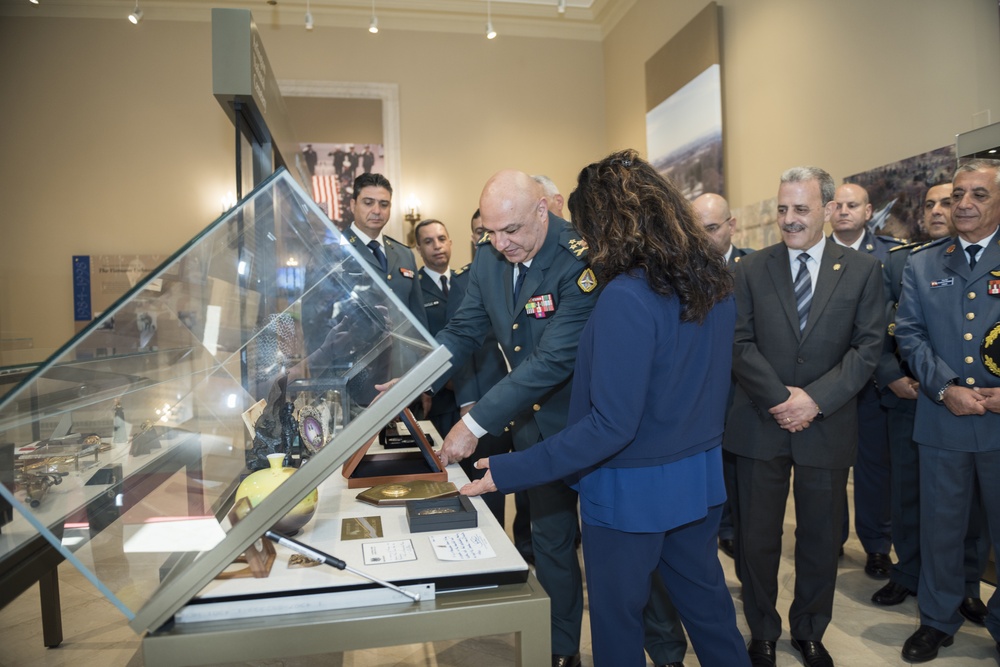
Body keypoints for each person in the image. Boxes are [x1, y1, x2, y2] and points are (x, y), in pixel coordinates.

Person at [460, 149, 750, 667]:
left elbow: (609, 426)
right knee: (710, 613)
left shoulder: (626, 297)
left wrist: (509, 469)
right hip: (699, 481)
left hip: (629, 493)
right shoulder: (713, 284)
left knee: (617, 626)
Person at [426, 169, 597, 667]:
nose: (502, 244)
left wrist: (473, 425)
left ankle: (662, 648)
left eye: (513, 230)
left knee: (622, 551)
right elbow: (463, 331)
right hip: (531, 429)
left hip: (587, 427)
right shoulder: (489, 257)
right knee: (551, 544)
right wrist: (417, 380)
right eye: (491, 232)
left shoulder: (579, 260)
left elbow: (552, 361)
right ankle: (562, 648)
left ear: (543, 210)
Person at [724, 166, 884, 667]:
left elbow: (868, 347)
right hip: (758, 423)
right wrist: (781, 399)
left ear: (829, 209)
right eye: (781, 209)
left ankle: (810, 630)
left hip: (827, 425)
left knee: (819, 537)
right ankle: (763, 631)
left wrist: (813, 401)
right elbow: (739, 342)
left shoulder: (862, 270)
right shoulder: (748, 270)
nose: (789, 219)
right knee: (756, 540)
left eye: (801, 209)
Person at [894, 158, 1000, 663]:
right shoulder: (923, 263)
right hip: (943, 420)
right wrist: (945, 387)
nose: (963, 204)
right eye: (959, 194)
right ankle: (936, 620)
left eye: (978, 194)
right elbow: (909, 334)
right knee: (940, 528)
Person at [871, 181, 990, 622]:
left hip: (985, 410)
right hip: (924, 405)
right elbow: (892, 328)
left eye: (975, 196)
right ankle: (923, 595)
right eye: (942, 199)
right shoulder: (912, 262)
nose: (955, 206)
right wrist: (918, 383)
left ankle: (977, 597)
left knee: (978, 516)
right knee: (926, 511)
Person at [829, 183, 902, 578]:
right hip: (828, 384)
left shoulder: (890, 255)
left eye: (852, 205)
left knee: (874, 470)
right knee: (828, 470)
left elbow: (892, 322)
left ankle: (877, 546)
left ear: (868, 210)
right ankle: (831, 539)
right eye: (837, 205)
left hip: (875, 384)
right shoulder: (814, 255)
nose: (843, 211)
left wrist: (890, 373)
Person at [413, 217, 508, 521]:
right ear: (418, 248)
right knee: (451, 478)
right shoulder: (415, 287)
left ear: (452, 241)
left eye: (442, 238)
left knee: (489, 477)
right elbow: (439, 340)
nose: (437, 246)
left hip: (491, 393)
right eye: (428, 241)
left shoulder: (468, 278)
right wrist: (425, 384)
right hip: (442, 398)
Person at [692, 192, 753, 561]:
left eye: (712, 228)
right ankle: (716, 526)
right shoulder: (682, 273)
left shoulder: (754, 268)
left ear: (732, 225)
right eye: (696, 230)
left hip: (746, 389)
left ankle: (735, 530)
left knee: (739, 472)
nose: (704, 239)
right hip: (702, 389)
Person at [343, 173, 427, 328]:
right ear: (353, 205)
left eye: (384, 204)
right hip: (356, 349)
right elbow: (316, 321)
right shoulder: (336, 249)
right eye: (368, 203)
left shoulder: (404, 254)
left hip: (402, 351)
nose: (377, 210)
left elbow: (418, 317)